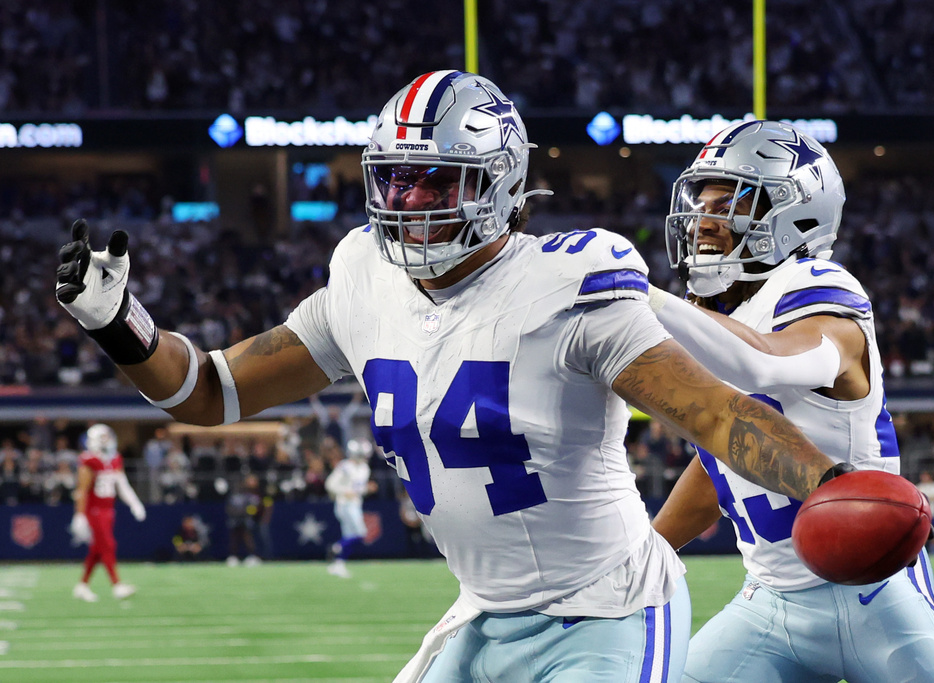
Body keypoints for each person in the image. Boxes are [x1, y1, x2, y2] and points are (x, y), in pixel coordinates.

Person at [56, 71, 842, 682]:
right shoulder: (363, 277)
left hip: (608, 611)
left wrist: (831, 483)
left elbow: (718, 415)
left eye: (433, 181)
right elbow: (209, 391)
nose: (407, 200)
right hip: (483, 614)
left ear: (499, 183)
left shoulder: (570, 286)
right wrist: (119, 322)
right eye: (394, 179)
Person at [649, 120, 934, 682]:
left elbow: (763, 362)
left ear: (795, 215)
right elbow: (723, 459)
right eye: (701, 204)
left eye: (728, 203)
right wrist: (648, 551)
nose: (704, 221)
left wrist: (643, 297)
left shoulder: (817, 287)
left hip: (876, 593)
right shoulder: (714, 317)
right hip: (770, 603)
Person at [71, 424, 147, 602]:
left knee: (97, 549)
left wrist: (135, 503)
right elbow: (82, 490)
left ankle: (82, 586)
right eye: (103, 438)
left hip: (108, 509)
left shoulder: (115, 459)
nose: (108, 441)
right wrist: (79, 515)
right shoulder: (88, 460)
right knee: (108, 545)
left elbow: (122, 484)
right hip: (94, 510)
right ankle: (117, 585)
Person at [324, 438, 377, 577]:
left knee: (349, 536)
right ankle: (337, 547)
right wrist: (344, 491)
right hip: (345, 504)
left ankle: (338, 564)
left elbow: (357, 489)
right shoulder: (345, 466)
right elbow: (330, 484)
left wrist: (367, 489)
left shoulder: (364, 468)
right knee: (360, 533)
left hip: (356, 503)